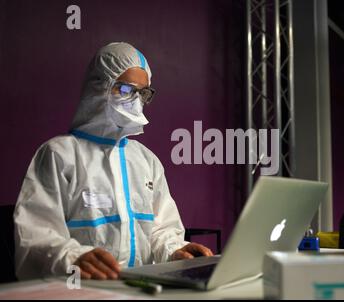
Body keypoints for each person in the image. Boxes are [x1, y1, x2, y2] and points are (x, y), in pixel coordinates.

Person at [14, 42, 213, 281]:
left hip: (141, 289)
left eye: (143, 93)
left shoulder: (146, 161)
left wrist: (175, 251)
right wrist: (73, 258)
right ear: (99, 87)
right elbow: (36, 235)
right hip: (80, 291)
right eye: (127, 90)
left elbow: (161, 229)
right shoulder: (59, 155)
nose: (136, 101)